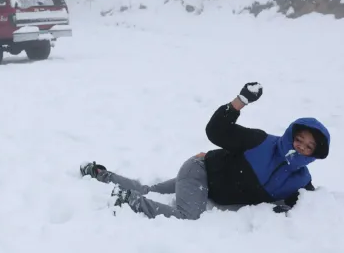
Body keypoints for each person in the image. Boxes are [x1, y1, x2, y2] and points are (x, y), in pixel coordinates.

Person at [80, 82, 330, 220]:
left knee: (150, 190)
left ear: (314, 154)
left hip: (205, 183)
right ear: (291, 135)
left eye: (309, 147)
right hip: (200, 170)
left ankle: (101, 174)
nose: (302, 147)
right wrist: (239, 101)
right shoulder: (262, 142)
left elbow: (309, 205)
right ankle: (128, 202)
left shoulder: (301, 179)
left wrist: (286, 208)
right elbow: (217, 131)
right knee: (187, 215)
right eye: (300, 139)